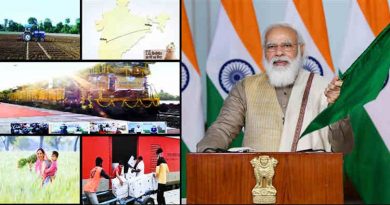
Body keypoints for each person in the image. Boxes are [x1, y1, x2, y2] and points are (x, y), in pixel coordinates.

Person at [197, 23, 354, 153]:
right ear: (264, 51)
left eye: (286, 45)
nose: (279, 52)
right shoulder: (245, 87)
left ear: (301, 49)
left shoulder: (324, 88)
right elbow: (223, 129)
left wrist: (336, 107)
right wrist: (207, 152)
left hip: (310, 181)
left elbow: (343, 147)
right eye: (271, 46)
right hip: (259, 184)